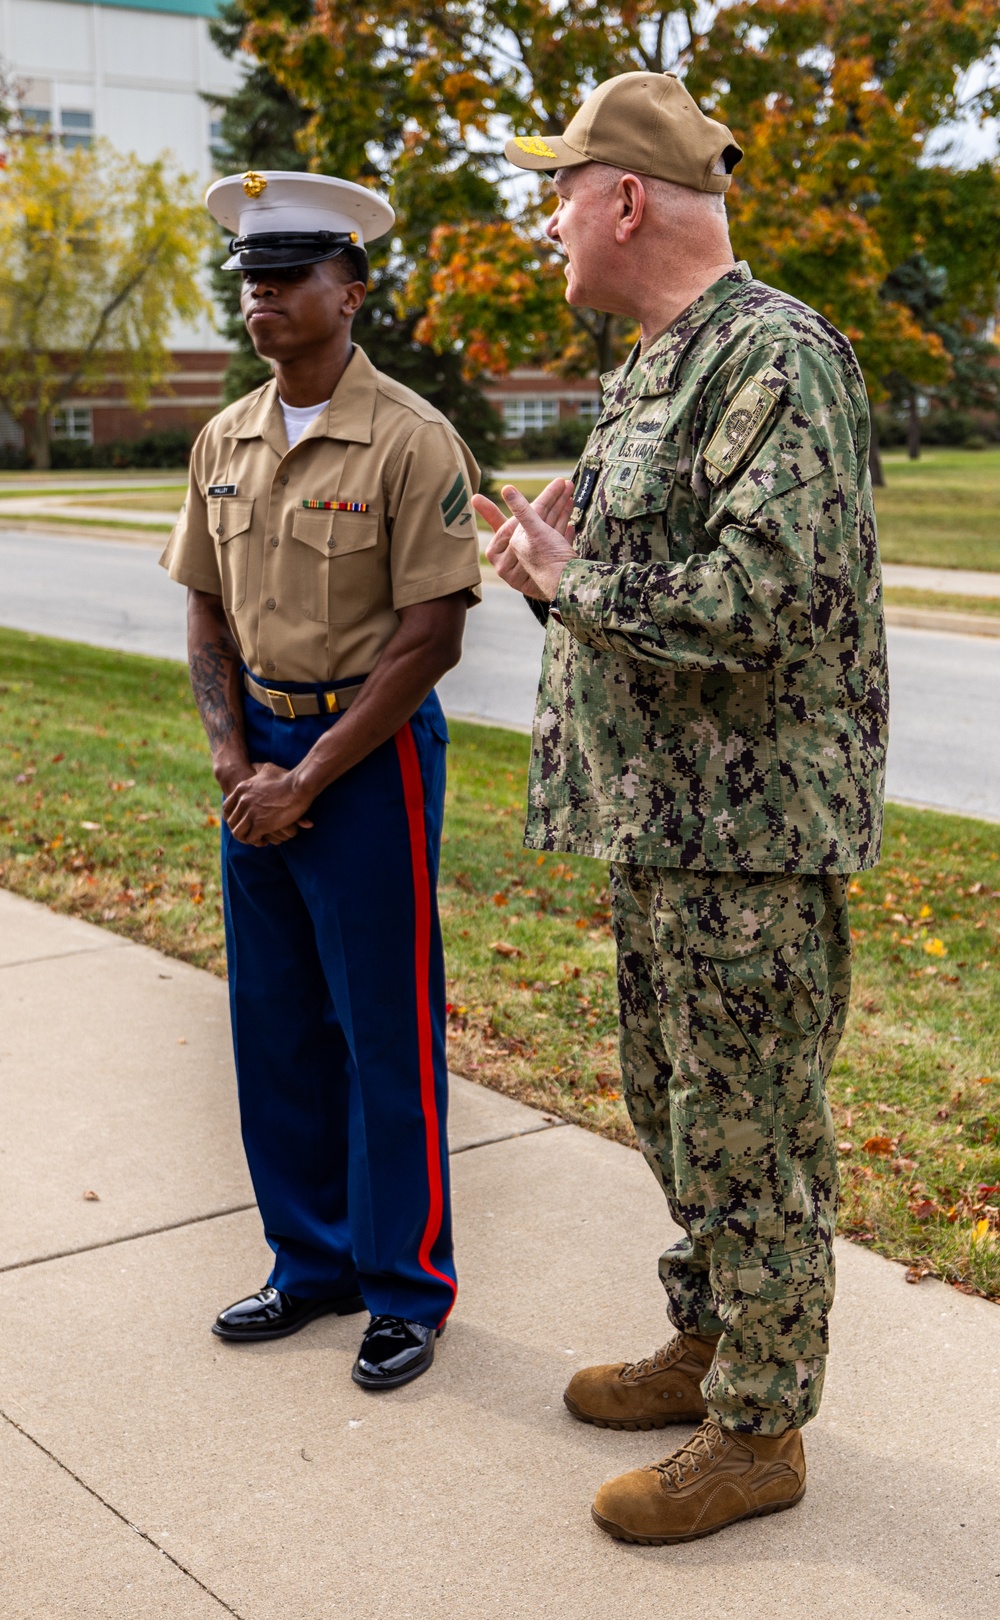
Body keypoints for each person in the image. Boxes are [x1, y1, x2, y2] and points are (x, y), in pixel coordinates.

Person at [475, 72, 887, 1543]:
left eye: (562, 193)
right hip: (664, 829)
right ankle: (713, 1344)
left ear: (627, 198)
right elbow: (640, 607)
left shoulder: (775, 356)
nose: (550, 226)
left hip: (752, 846)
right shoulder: (656, 367)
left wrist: (566, 580)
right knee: (678, 1112)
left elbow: (760, 601)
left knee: (751, 1128)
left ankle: (763, 1432)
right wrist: (554, 574)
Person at [160, 170, 482, 1391]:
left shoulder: (408, 435)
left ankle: (405, 1290)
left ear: (351, 292)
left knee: (380, 1034)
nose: (262, 298)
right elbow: (203, 608)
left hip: (368, 755)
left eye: (288, 277)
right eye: (251, 279)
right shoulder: (223, 437)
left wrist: (309, 776)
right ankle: (309, 1265)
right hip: (259, 752)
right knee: (275, 1026)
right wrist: (237, 760)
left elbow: (432, 634)